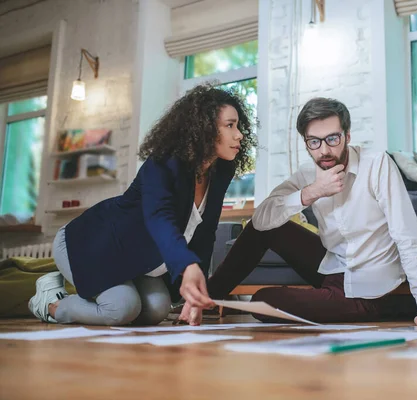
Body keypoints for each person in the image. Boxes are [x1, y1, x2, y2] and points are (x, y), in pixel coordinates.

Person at [190, 97, 417, 326]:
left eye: (332, 139)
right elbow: (261, 220)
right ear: (306, 143)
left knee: (263, 301)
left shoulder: (377, 165)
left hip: (366, 288)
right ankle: (205, 299)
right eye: (314, 142)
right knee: (265, 227)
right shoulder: (308, 173)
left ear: (347, 136)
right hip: (331, 267)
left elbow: (407, 234)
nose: (325, 150)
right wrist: (311, 192)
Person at [28, 84, 256, 326]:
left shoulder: (220, 170)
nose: (239, 134)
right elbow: (159, 217)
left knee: (158, 310)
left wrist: (193, 293)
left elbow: (206, 232)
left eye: (238, 126)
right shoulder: (164, 161)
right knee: (122, 309)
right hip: (92, 245)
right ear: (204, 128)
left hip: (137, 259)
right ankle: (50, 303)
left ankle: (102, 293)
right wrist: (187, 266)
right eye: (230, 125)